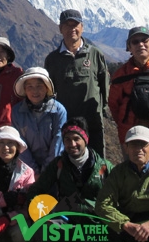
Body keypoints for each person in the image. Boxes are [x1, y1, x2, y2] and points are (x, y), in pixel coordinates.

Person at [26, 117, 113, 242]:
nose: (72, 144)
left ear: (85, 139)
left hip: (92, 227)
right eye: (67, 139)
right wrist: (42, 212)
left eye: (76, 139)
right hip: (66, 223)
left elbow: (117, 198)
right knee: (42, 228)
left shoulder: (104, 168)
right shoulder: (58, 165)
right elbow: (35, 191)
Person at [44, 9, 111, 158]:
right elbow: (48, 91)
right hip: (66, 124)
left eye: (75, 25)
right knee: (69, 163)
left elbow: (104, 84)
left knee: (97, 161)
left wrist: (102, 108)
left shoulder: (94, 54)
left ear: (82, 27)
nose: (72, 29)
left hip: (92, 121)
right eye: (67, 25)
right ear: (60, 28)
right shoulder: (52, 59)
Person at [10, 67, 66, 176]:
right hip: (26, 171)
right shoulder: (17, 112)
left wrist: (46, 172)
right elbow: (20, 143)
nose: (35, 91)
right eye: (30, 87)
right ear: (25, 90)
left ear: (46, 88)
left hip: (54, 169)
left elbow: (58, 143)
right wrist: (33, 171)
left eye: (39, 86)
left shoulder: (59, 110)